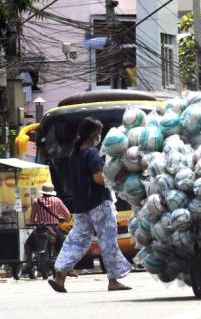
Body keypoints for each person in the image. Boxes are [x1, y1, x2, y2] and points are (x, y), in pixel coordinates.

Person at [48, 117, 132, 293]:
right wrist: (115, 179)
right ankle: (113, 280)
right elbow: (98, 178)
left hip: (81, 206)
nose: (99, 136)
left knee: (76, 240)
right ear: (95, 134)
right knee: (108, 241)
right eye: (99, 133)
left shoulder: (74, 154)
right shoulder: (92, 153)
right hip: (99, 203)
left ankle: (61, 274)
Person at [24, 183, 70, 265]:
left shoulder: (36, 201)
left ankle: (29, 263)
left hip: (40, 228)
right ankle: (66, 265)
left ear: (43, 192)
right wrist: (64, 219)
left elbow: (32, 218)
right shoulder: (57, 200)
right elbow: (67, 214)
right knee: (65, 244)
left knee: (27, 244)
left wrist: (35, 223)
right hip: (54, 228)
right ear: (52, 192)